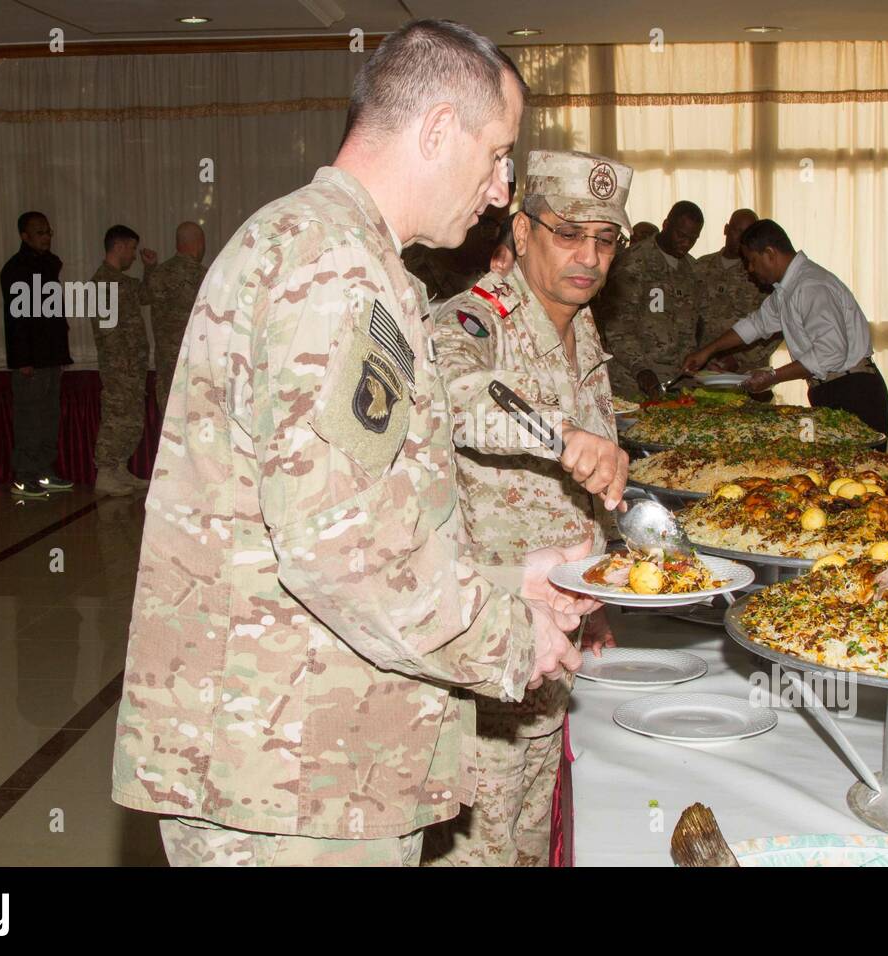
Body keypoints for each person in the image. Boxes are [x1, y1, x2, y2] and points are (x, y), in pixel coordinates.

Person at [110, 18, 593, 868]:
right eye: (496, 155)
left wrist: (501, 580)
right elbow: (346, 553)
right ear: (439, 130)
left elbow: (346, 520)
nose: (499, 189)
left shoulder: (331, 249)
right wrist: (512, 640)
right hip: (289, 780)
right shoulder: (334, 270)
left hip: (305, 752)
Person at [425, 149, 631, 866]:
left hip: (553, 639)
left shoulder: (581, 326)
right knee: (476, 850)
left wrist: (595, 586)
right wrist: (561, 434)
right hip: (488, 636)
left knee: (530, 844)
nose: (589, 256)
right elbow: (456, 398)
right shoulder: (478, 322)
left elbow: (587, 483)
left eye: (606, 240)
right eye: (568, 232)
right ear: (520, 229)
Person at [682, 219, 888, 444]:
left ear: (770, 253)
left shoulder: (811, 286)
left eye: (752, 261)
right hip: (830, 389)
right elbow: (755, 324)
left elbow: (830, 352)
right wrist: (707, 351)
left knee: (858, 475)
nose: (750, 270)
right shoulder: (786, 289)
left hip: (854, 391)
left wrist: (773, 376)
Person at [594, 200, 703, 397]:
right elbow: (617, 329)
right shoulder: (633, 263)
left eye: (693, 238)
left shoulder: (692, 270)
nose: (686, 243)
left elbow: (693, 327)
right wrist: (641, 369)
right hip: (634, 382)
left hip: (675, 383)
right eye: (681, 235)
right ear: (666, 225)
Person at [1, 211, 74, 498]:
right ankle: (24, 477)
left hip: (51, 357)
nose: (47, 236)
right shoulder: (16, 268)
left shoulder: (48, 265)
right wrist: (23, 360)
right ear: (25, 236)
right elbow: (16, 320)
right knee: (29, 419)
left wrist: (60, 355)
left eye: (48, 231)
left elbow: (53, 317)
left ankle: (44, 472)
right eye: (40, 232)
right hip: (30, 360)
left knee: (48, 417)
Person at [90, 224, 156, 497]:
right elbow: (108, 332)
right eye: (131, 248)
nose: (133, 255)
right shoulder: (102, 283)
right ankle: (106, 473)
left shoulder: (122, 282)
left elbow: (145, 295)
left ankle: (118, 469)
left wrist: (149, 269)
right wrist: (121, 364)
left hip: (131, 365)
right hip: (120, 365)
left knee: (130, 419)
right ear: (118, 247)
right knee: (117, 417)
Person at [694, 207, 781, 400]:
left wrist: (740, 359)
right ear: (726, 229)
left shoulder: (761, 273)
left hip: (750, 378)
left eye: (748, 233)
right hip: (706, 376)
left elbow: (777, 328)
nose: (742, 238)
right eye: (737, 231)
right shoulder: (700, 267)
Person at [145, 221, 206, 415]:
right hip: (196, 369)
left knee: (169, 429)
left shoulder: (158, 275)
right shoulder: (205, 277)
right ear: (199, 244)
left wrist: (149, 269)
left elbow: (142, 297)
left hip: (166, 368)